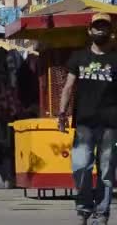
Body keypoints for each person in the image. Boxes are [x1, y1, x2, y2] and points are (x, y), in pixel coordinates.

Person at [58, 13, 117, 225]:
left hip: (111, 124)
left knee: (107, 170)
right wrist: (62, 113)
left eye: (105, 26)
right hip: (84, 123)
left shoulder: (115, 58)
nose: (100, 30)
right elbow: (68, 87)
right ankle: (84, 207)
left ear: (111, 31)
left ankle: (101, 214)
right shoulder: (78, 58)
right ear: (89, 31)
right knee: (81, 166)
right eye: (97, 26)